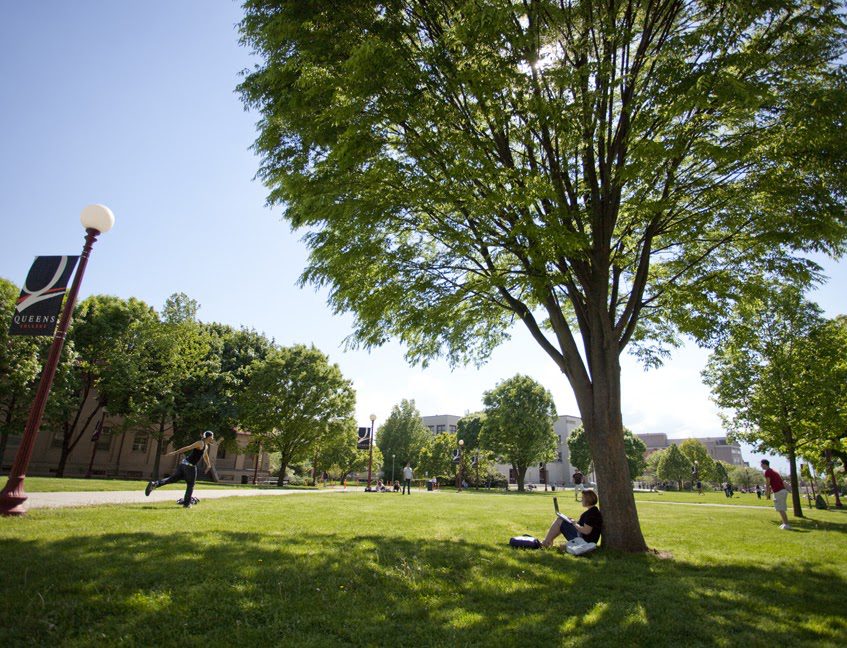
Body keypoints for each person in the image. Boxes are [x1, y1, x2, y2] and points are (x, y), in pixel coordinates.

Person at [145, 431, 214, 507]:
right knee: (190, 485)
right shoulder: (200, 443)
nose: (212, 438)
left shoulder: (205, 446)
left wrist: (208, 464)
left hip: (184, 464)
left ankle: (155, 484)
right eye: (211, 437)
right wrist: (175, 452)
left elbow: (205, 455)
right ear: (208, 437)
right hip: (190, 466)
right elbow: (188, 448)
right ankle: (186, 504)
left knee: (172, 479)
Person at [761, 459, 791, 529]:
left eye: (761, 464)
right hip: (781, 491)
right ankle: (784, 523)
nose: (761, 466)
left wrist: (767, 494)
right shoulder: (772, 471)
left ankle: (786, 524)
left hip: (779, 491)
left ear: (765, 464)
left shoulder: (767, 472)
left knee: (781, 508)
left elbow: (768, 483)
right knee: (780, 508)